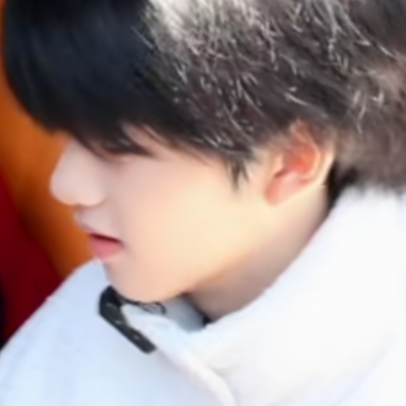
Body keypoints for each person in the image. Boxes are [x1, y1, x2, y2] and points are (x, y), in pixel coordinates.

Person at [1, 0, 406, 405]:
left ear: (291, 161)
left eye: (114, 148)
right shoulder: (75, 334)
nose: (66, 186)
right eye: (70, 136)